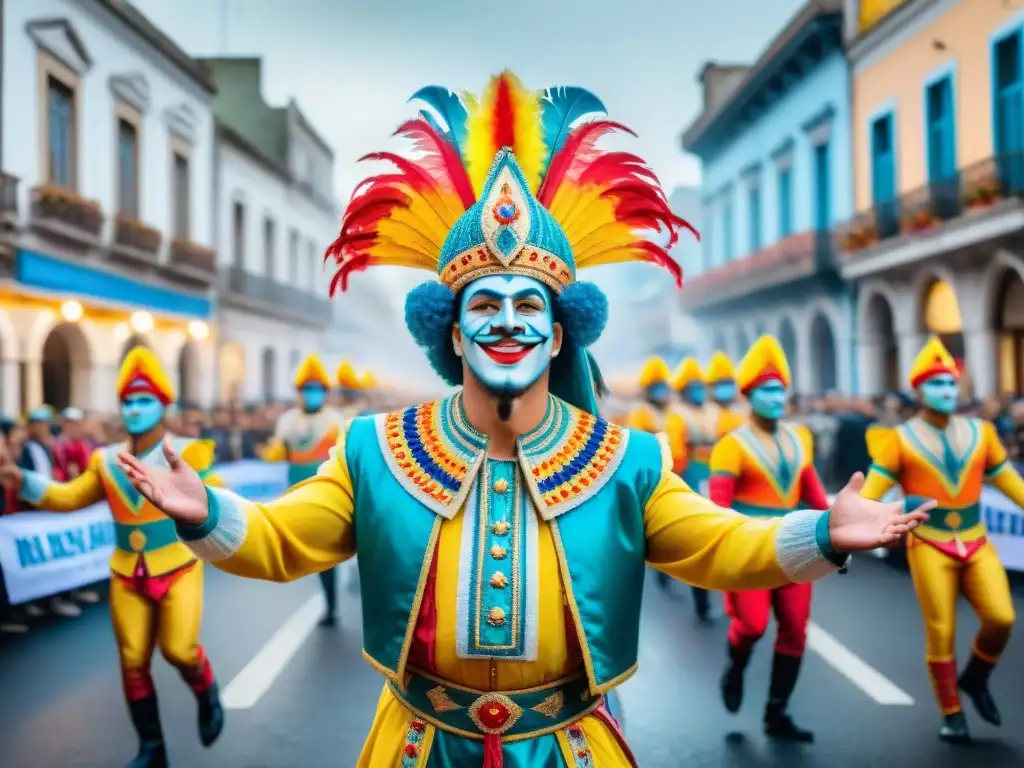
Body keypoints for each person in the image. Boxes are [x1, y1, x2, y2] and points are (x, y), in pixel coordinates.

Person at [115, 71, 929, 768]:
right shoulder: (374, 450)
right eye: (486, 304)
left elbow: (721, 546)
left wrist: (822, 534)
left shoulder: (626, 459)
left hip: (570, 746)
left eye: (529, 302)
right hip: (421, 745)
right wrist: (207, 514)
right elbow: (280, 539)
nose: (508, 319)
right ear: (453, 329)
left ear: (560, 329)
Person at [0, 347, 225, 768]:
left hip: (178, 567)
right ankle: (151, 747)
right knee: (133, 660)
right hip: (126, 573)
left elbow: (221, 498)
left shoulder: (191, 452)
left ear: (162, 404)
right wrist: (22, 480)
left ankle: (205, 688)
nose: (135, 408)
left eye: (145, 400)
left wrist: (211, 509)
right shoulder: (105, 460)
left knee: (180, 650)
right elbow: (69, 497)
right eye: (128, 401)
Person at [860, 336, 1024, 744]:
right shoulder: (899, 439)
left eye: (951, 383)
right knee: (941, 629)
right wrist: (851, 529)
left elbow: (1007, 481)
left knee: (1002, 618)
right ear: (918, 390)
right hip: (929, 542)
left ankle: (976, 677)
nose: (946, 391)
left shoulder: (982, 432)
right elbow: (872, 492)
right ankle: (951, 711)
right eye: (936, 384)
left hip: (976, 540)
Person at [708, 335, 831, 742]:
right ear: (749, 396)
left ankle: (777, 712)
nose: (777, 397)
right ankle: (736, 662)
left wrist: (837, 537)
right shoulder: (731, 446)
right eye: (767, 390)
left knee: (795, 628)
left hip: (796, 548)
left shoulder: (801, 439)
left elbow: (813, 495)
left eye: (780, 389)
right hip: (750, 549)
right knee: (754, 626)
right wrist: (722, 555)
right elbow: (719, 508)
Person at [262, 353, 345, 626]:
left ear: (325, 392)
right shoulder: (286, 422)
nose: (312, 394)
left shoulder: (336, 421)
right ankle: (328, 600)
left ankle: (331, 605)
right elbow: (279, 456)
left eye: (317, 389)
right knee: (313, 556)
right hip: (298, 497)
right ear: (298, 393)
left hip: (330, 497)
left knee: (328, 554)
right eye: (307, 390)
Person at [668, 356, 716, 621]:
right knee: (696, 538)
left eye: (701, 385)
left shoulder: (713, 412)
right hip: (691, 476)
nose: (699, 390)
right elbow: (676, 454)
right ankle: (702, 599)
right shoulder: (677, 416)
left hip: (717, 475)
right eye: (693, 386)